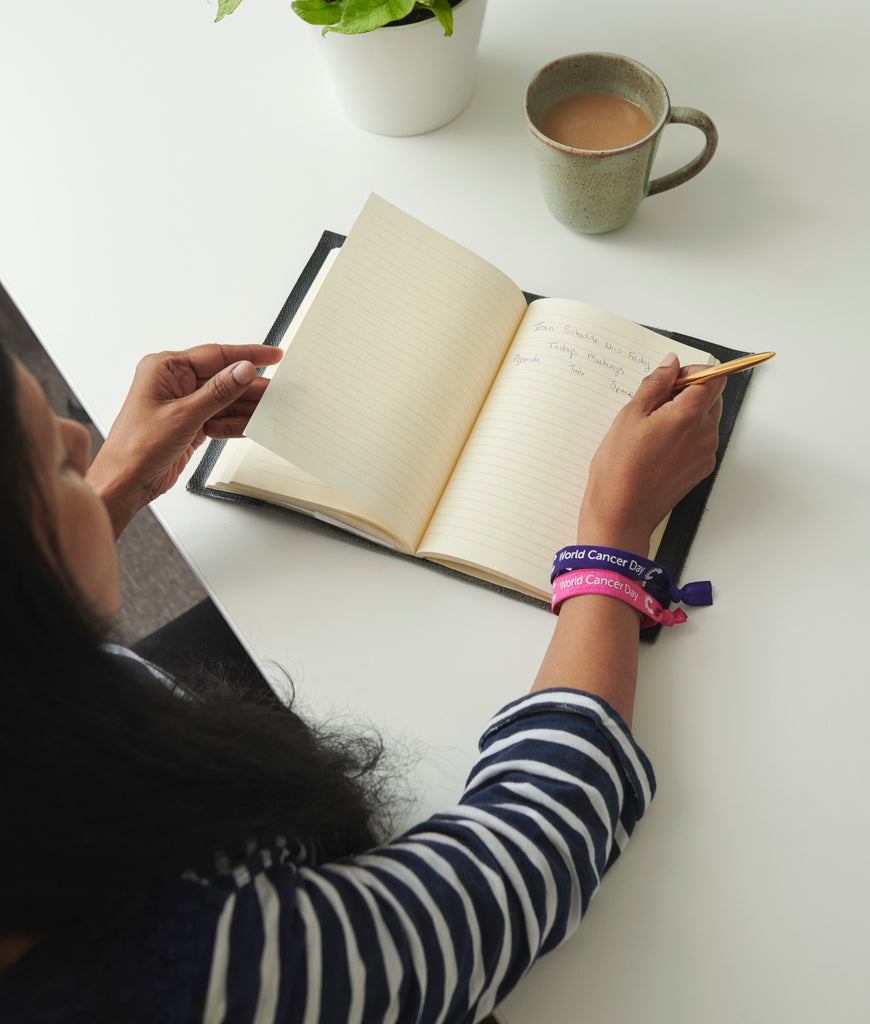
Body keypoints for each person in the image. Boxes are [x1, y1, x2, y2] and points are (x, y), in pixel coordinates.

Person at [0, 336, 724, 1022]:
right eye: (56, 465)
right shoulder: (186, 975)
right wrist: (615, 535)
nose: (76, 433)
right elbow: (519, 860)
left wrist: (107, 491)